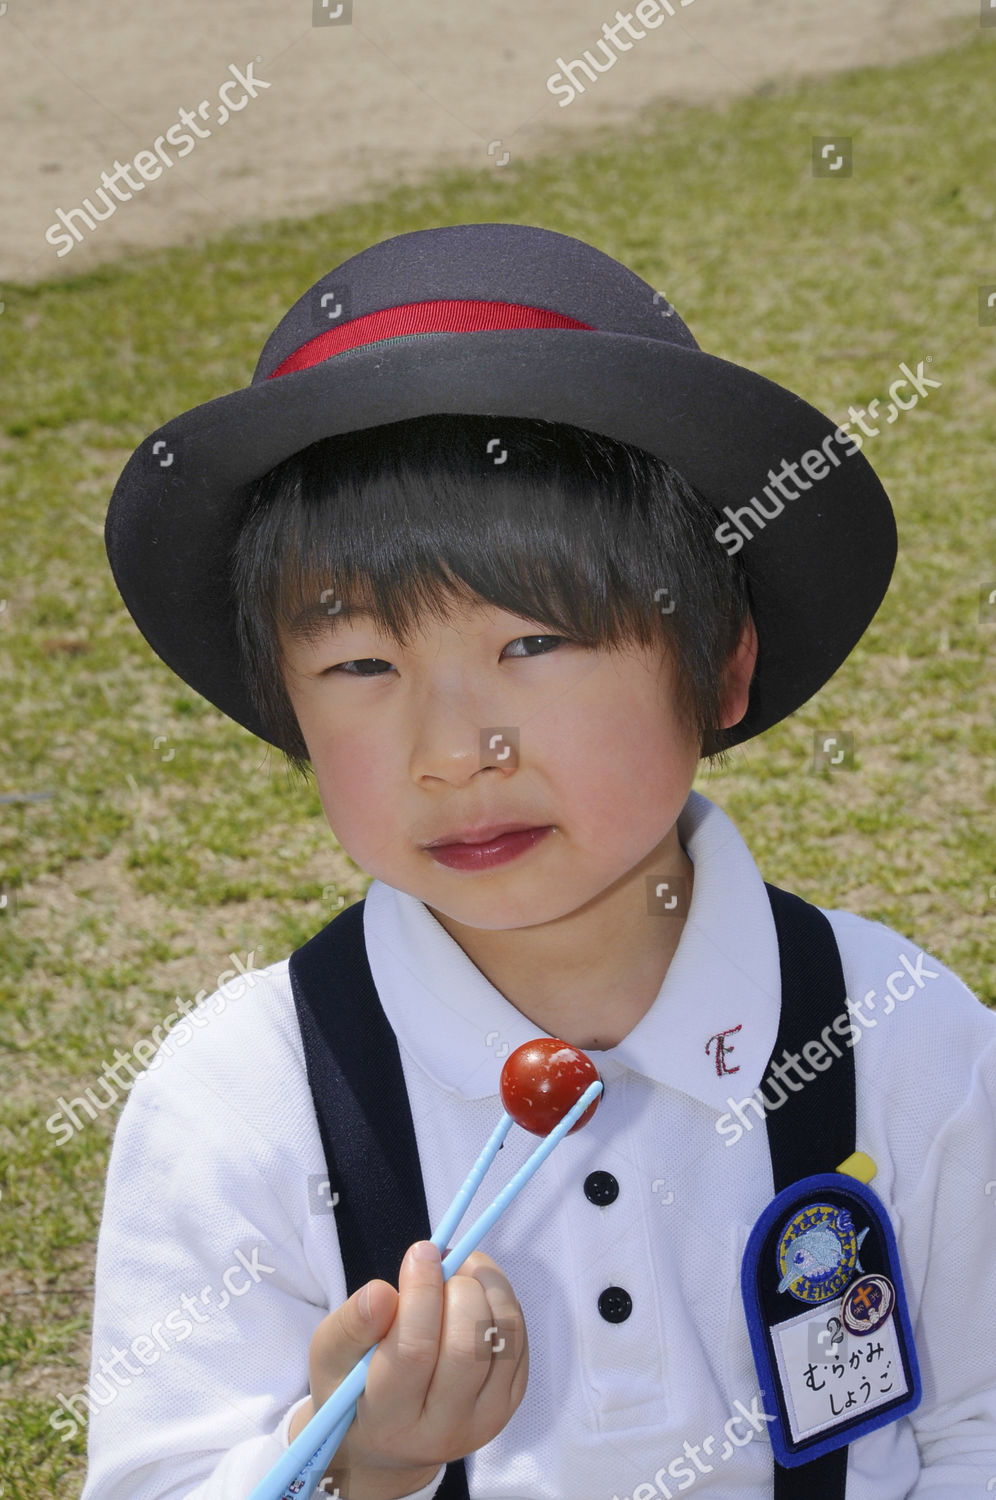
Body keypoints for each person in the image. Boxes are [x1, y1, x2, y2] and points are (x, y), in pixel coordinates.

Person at [76, 223, 995, 1500]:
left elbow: (977, 1430)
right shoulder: (245, 1101)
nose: (454, 750)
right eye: (360, 667)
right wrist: (361, 1466)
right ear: (285, 706)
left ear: (720, 663)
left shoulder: (902, 1039)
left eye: (537, 642)